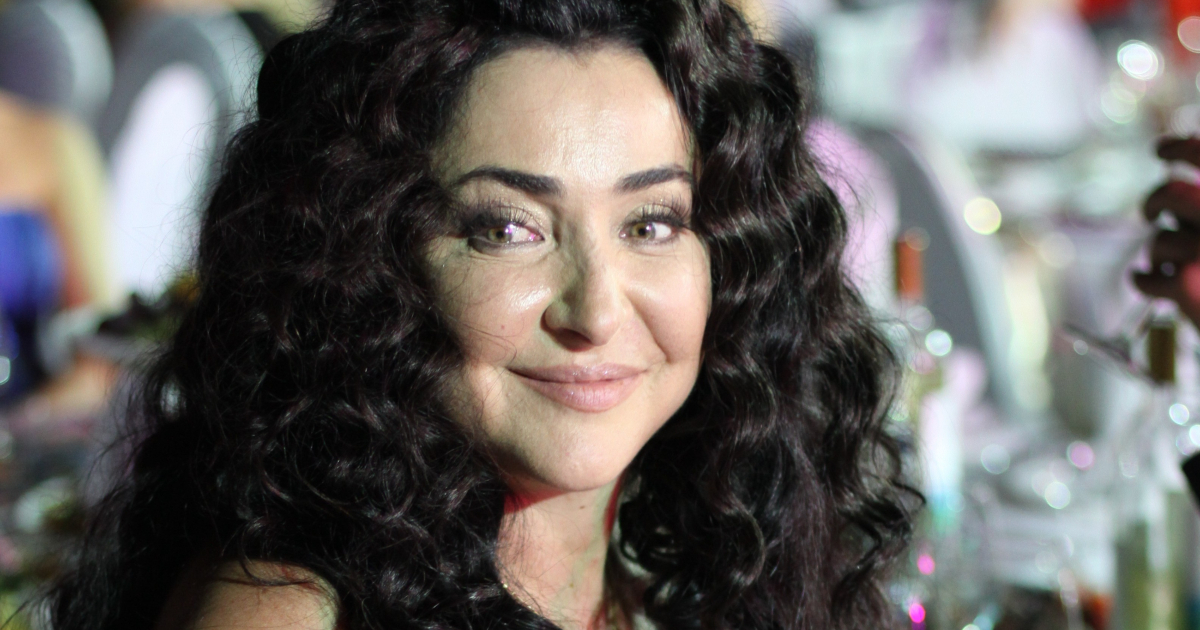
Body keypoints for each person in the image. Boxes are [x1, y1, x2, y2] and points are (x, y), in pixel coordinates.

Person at [46, 1, 916, 629]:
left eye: (651, 223)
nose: (596, 310)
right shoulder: (285, 612)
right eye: (508, 229)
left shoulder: (693, 584)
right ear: (368, 265)